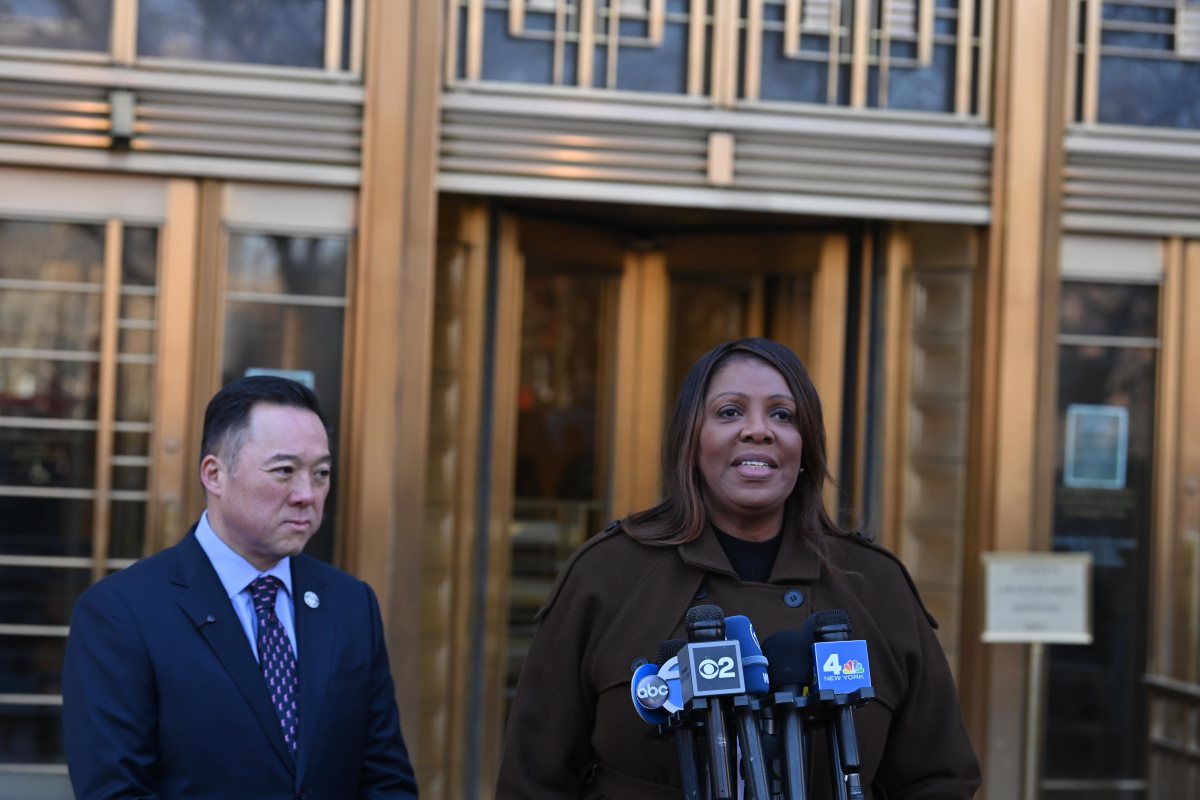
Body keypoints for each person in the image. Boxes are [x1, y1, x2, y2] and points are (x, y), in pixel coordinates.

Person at [496, 338, 980, 798]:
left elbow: (938, 778)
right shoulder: (607, 575)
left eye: (782, 414)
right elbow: (535, 778)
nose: (758, 429)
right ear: (691, 438)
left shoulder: (875, 584)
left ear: (805, 444)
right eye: (729, 412)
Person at [63, 375, 419, 799]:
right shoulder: (121, 613)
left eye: (320, 473)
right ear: (215, 474)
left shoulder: (350, 604)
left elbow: (386, 780)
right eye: (284, 471)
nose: (307, 494)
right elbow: (116, 790)